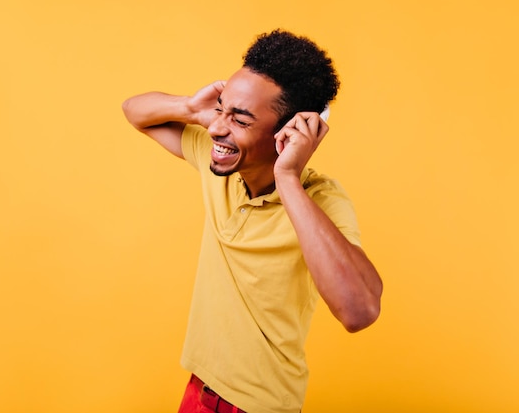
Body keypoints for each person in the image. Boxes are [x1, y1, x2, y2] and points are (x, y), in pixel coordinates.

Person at [122, 29, 383, 413]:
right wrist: (192, 108)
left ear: (287, 132)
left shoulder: (322, 200)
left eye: (240, 119)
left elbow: (359, 311)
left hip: (258, 405)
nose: (216, 129)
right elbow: (134, 111)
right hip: (200, 390)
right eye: (221, 109)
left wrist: (288, 178)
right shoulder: (220, 163)